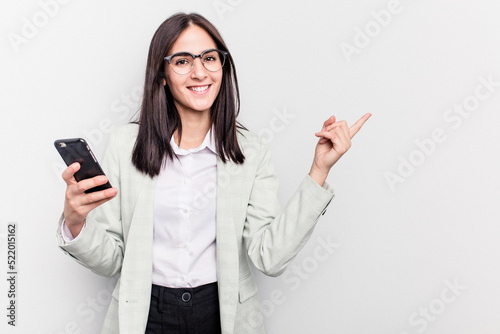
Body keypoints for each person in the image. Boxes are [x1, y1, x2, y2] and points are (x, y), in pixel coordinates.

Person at [56, 12, 370, 334]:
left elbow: (269, 258)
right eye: (182, 61)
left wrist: (319, 170)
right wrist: (76, 223)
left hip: (222, 314)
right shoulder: (124, 146)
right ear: (161, 74)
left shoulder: (251, 151)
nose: (199, 72)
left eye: (209, 58)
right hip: (146, 314)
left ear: (223, 66)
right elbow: (110, 261)